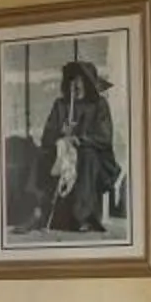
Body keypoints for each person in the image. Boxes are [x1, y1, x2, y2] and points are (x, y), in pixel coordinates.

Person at [32, 57, 122, 235]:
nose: (76, 85)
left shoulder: (99, 105)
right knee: (46, 158)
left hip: (96, 158)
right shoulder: (61, 105)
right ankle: (47, 213)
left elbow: (104, 137)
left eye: (81, 80)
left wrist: (80, 140)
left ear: (89, 83)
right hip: (63, 153)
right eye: (73, 80)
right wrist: (62, 137)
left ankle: (85, 218)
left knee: (87, 157)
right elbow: (48, 136)